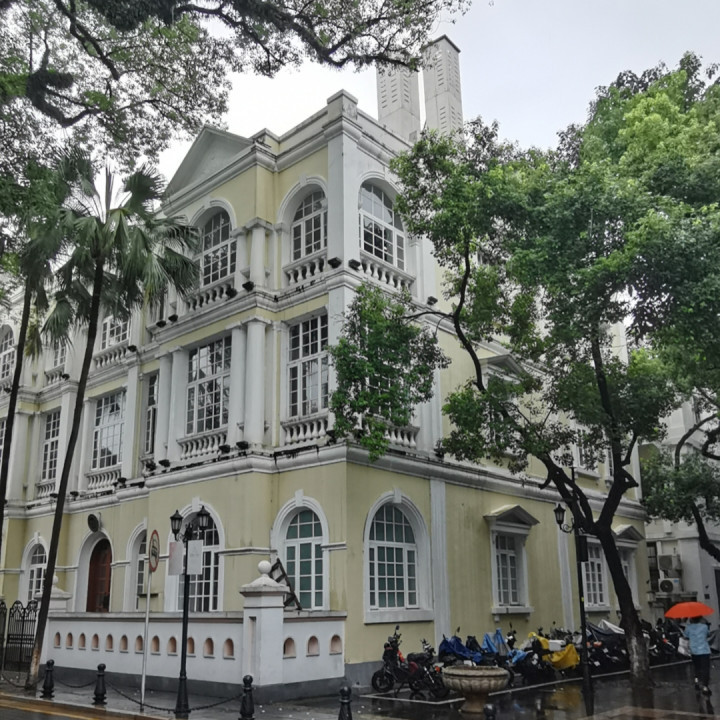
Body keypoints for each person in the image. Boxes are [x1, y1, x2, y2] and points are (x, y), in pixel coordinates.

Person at [684, 616, 712, 695]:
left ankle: (696, 681)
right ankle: (705, 687)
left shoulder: (688, 627)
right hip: (704, 650)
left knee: (697, 667)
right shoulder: (704, 627)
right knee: (705, 669)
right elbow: (708, 634)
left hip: (694, 651)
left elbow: (685, 636)